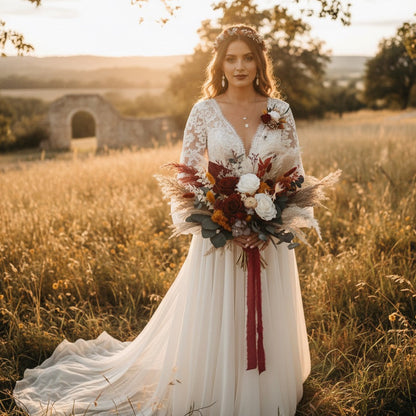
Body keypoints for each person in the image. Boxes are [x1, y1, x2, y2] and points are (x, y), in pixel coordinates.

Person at [14, 25, 311, 416]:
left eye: (248, 57)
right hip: (220, 240)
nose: (239, 66)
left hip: (265, 240)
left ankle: (264, 393)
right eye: (231, 58)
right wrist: (226, 224)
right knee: (218, 321)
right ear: (220, 63)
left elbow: (295, 174)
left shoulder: (280, 111)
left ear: (260, 62)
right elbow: (187, 176)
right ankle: (215, 391)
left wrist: (270, 220)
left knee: (263, 318)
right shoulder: (204, 111)